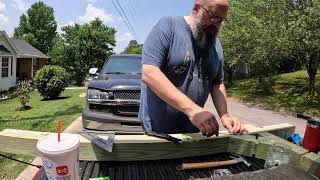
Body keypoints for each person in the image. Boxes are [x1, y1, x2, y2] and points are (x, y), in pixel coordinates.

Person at [138, 0, 247, 137]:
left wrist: (225, 115)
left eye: (221, 20)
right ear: (196, 8)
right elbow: (149, 73)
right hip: (158, 132)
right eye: (213, 17)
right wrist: (193, 110)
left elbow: (217, 83)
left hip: (194, 133)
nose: (217, 25)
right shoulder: (168, 27)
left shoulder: (216, 45)